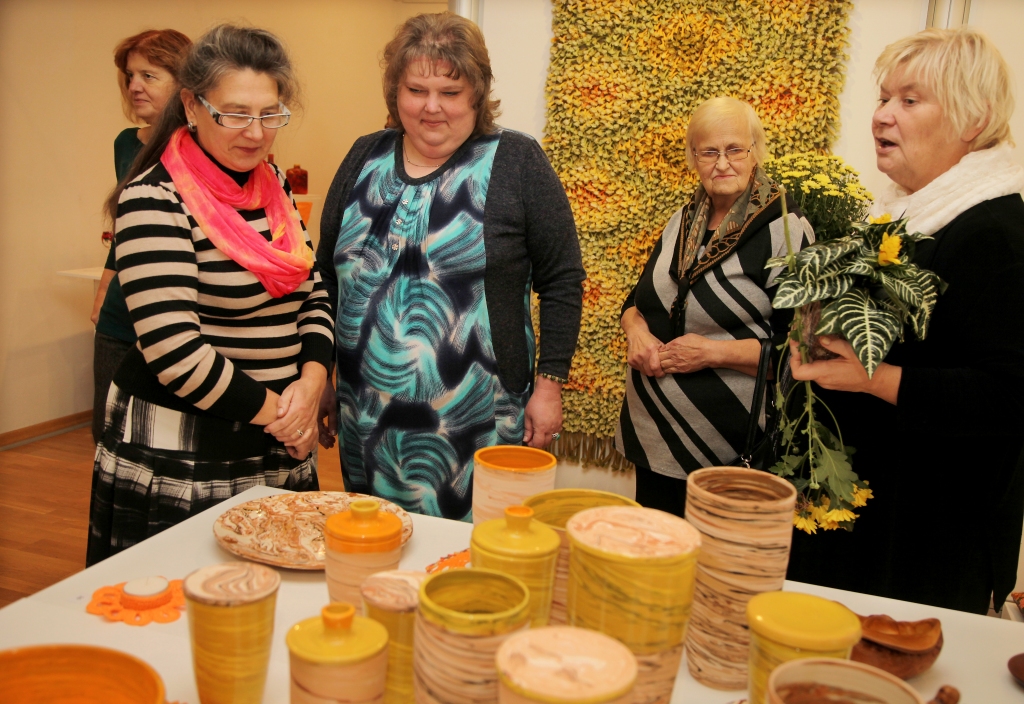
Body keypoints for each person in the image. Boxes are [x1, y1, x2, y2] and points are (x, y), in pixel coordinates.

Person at [786, 28, 1024, 614]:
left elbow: (1010, 396)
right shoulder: (904, 215)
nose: (882, 116)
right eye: (883, 98)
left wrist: (876, 379)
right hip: (869, 527)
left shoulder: (997, 234)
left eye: (910, 100)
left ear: (974, 119)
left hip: (923, 547)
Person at [315, 12, 585, 521]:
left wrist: (550, 385)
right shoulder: (363, 157)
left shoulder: (517, 161)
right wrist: (319, 374)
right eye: (416, 90)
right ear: (395, 92)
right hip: (364, 417)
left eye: (450, 92)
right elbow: (325, 276)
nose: (431, 106)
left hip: (481, 423)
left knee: (474, 554)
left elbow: (562, 279)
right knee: (374, 546)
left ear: (477, 95)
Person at [87, 25, 334, 565]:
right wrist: (284, 415)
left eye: (269, 114)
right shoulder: (154, 198)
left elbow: (313, 292)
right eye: (235, 114)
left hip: (277, 436)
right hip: (186, 448)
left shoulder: (272, 185)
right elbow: (175, 350)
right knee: (189, 599)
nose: (255, 132)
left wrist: (313, 383)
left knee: (278, 597)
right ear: (191, 107)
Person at [615, 97, 814, 518]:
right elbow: (636, 302)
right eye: (709, 152)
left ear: (755, 152)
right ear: (693, 158)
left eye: (734, 149)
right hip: (653, 437)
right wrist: (636, 332)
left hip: (731, 452)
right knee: (655, 551)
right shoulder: (682, 219)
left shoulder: (785, 229)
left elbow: (804, 351)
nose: (722, 163)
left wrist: (713, 353)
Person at [91, 29, 192, 443]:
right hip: (120, 321)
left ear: (184, 83)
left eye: (149, 75)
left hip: (178, 321)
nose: (134, 86)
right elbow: (125, 231)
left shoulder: (202, 148)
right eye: (130, 75)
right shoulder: (125, 143)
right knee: (108, 435)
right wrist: (103, 289)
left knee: (166, 442)